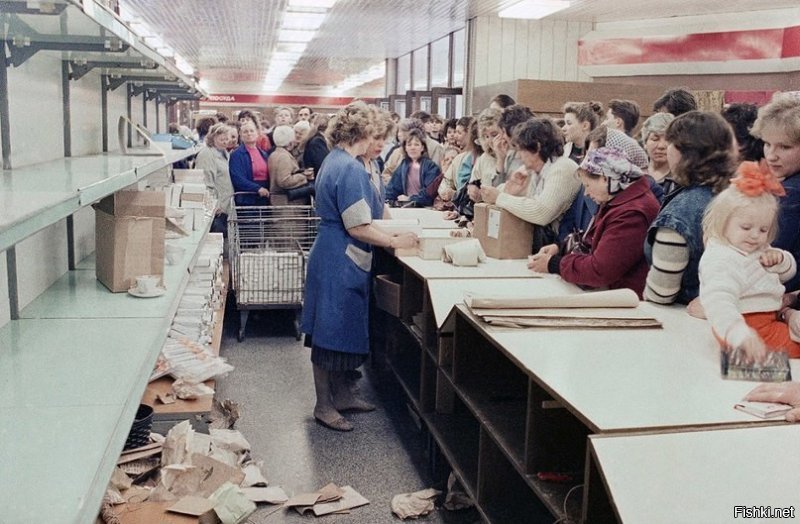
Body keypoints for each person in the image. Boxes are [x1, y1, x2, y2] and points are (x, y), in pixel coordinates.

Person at [301, 101, 418, 432]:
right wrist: (396, 241)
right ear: (363, 133)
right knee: (328, 333)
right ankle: (324, 405)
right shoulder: (350, 167)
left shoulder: (335, 159)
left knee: (337, 329)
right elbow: (357, 226)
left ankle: (341, 396)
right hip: (340, 256)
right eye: (374, 134)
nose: (376, 142)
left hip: (334, 252)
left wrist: (390, 232)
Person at [698, 162, 800, 361]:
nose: (755, 236)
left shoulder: (754, 248)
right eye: (746, 227)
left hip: (766, 320)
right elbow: (718, 301)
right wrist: (738, 333)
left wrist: (781, 261)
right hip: (748, 329)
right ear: (723, 221)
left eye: (763, 230)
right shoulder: (722, 258)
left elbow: (788, 273)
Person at [528, 147, 659, 297]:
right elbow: (596, 240)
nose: (586, 193)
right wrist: (561, 248)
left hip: (626, 300)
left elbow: (600, 270)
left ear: (605, 178)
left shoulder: (631, 214)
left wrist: (554, 264)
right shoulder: (619, 199)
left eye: (588, 185)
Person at [643, 111, 735, 305]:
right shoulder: (737, 196)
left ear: (683, 152)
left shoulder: (681, 211)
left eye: (670, 143)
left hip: (685, 318)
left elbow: (662, 293)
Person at [481, 118, 580, 250]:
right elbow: (526, 206)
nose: (518, 157)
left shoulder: (562, 168)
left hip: (559, 248)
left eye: (521, 150)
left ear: (537, 147)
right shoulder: (539, 171)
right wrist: (510, 190)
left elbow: (540, 213)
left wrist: (499, 197)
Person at [749, 93, 800, 291]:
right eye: (767, 144)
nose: (771, 155)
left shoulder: (791, 193)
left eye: (784, 147)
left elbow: (764, 258)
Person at [195, 123, 235, 233]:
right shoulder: (206, 154)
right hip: (216, 209)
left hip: (226, 207)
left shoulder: (224, 153)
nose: (225, 142)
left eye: (227, 139)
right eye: (222, 139)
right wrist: (213, 205)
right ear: (212, 138)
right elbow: (205, 182)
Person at [385, 129, 441, 207]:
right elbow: (392, 188)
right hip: (406, 206)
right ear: (405, 148)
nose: (412, 148)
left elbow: (429, 193)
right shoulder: (403, 165)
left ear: (422, 148)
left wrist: (410, 198)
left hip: (425, 207)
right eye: (409, 145)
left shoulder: (431, 166)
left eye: (416, 144)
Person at [267, 125, 314, 205]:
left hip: (279, 201)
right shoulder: (283, 157)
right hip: (286, 203)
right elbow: (284, 181)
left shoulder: (274, 154)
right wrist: (304, 176)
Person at [229, 120, 270, 206]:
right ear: (240, 135)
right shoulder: (236, 155)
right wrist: (257, 189)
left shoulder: (264, 154)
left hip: (264, 197)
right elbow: (237, 178)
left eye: (252, 131)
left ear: (257, 133)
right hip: (247, 199)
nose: (249, 133)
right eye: (245, 131)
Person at [640, 112, 677, 197]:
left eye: (668, 140)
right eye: (655, 139)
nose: (661, 146)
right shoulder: (634, 174)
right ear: (645, 143)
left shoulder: (679, 182)